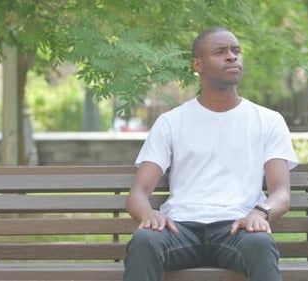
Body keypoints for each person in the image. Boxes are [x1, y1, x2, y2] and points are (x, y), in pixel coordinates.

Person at [123, 27, 298, 281]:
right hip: (180, 229)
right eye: (220, 52)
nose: (231, 57)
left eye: (236, 51)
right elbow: (138, 193)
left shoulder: (268, 120)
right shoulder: (172, 122)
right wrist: (148, 214)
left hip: (238, 229)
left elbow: (281, 192)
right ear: (198, 64)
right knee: (144, 240)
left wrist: (260, 213)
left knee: (260, 244)